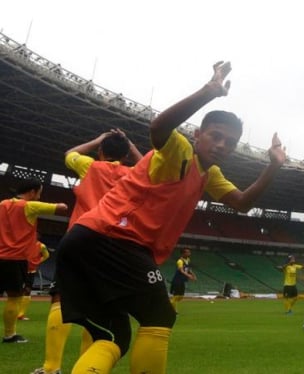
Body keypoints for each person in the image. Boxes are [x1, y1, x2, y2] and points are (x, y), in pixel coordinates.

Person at [55, 60, 286, 374]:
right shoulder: (180, 151)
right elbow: (158, 128)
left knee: (113, 335)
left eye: (229, 142)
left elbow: (242, 203)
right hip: (114, 239)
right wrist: (209, 91)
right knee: (160, 316)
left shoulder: (210, 173)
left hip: (86, 240)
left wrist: (273, 166)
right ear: (197, 134)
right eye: (215, 136)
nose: (221, 145)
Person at [32, 129, 141, 374]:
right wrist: (130, 143)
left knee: (61, 299)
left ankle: (51, 368)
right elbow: (149, 166)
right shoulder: (135, 174)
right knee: (98, 308)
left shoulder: (91, 166)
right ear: (125, 156)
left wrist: (98, 139)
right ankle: (86, 365)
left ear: (101, 151)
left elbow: (70, 154)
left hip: (81, 237)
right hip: (116, 244)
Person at [0, 178, 68, 344]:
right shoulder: (29, 206)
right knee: (14, 297)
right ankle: (10, 335)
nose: (38, 197)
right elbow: (62, 208)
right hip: (16, 258)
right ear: (32, 191)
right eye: (39, 193)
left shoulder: (2, 204)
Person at [17, 241, 50, 321]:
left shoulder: (41, 246)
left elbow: (47, 255)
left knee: (27, 290)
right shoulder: (22, 243)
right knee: (15, 290)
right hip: (19, 269)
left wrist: (37, 262)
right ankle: (14, 311)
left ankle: (20, 314)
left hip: (31, 271)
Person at [169, 248, 197, 313]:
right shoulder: (180, 261)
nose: (189, 253)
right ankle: (173, 310)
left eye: (189, 252)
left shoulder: (188, 260)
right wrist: (189, 276)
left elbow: (189, 269)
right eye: (187, 252)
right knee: (176, 296)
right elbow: (181, 271)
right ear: (183, 253)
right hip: (177, 280)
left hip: (182, 280)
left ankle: (171, 303)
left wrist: (193, 275)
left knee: (181, 296)